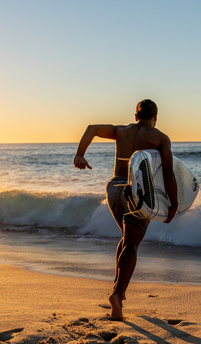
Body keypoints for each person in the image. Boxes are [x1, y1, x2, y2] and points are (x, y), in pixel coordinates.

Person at [73, 99, 178, 321]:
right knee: (132, 243)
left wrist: (80, 154)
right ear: (156, 117)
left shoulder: (121, 131)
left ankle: (116, 290)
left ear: (136, 116)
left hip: (113, 189)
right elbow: (168, 173)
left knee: (126, 238)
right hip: (136, 192)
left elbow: (91, 128)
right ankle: (118, 295)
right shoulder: (160, 138)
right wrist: (174, 203)